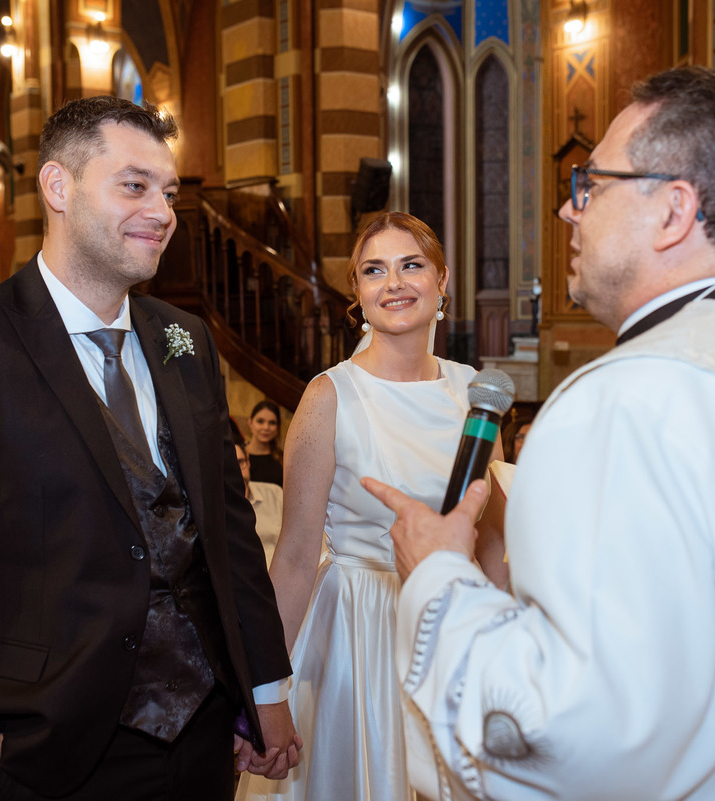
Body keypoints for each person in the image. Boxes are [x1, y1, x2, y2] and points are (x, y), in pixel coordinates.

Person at [364, 67, 715, 801]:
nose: (570, 212)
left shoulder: (629, 403)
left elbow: (574, 736)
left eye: (591, 185)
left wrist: (440, 575)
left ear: (673, 210)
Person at [0, 96, 300, 801]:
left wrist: (262, 689)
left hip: (205, 733)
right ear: (57, 187)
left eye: (169, 191)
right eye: (134, 185)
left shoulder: (187, 340)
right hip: (46, 750)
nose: (162, 211)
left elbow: (229, 535)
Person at [238, 212, 506, 801]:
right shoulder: (329, 395)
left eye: (411, 265)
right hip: (356, 634)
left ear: (441, 281)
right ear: (358, 293)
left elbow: (490, 544)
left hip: (450, 629)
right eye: (373, 270)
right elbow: (295, 554)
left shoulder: (477, 395)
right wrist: (267, 691)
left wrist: (507, 661)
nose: (394, 283)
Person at [236, 440, 284, 565]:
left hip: (281, 572)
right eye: (230, 465)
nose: (236, 471)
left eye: (240, 462)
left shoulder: (274, 494)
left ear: (248, 461)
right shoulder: (216, 507)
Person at [245, 400, 284, 486]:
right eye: (260, 421)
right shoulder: (238, 455)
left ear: (278, 428)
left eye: (272, 423)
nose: (266, 427)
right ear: (250, 423)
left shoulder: (284, 459)